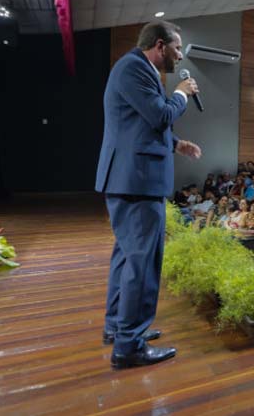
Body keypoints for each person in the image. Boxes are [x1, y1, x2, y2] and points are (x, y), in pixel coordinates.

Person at [96, 20, 201, 369]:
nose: (179, 54)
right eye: (176, 47)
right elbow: (159, 115)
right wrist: (182, 93)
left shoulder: (135, 69)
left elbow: (138, 123)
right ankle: (130, 345)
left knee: (126, 259)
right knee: (142, 265)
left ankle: (118, 328)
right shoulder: (134, 68)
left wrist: (176, 143)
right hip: (137, 182)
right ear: (159, 45)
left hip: (130, 179)